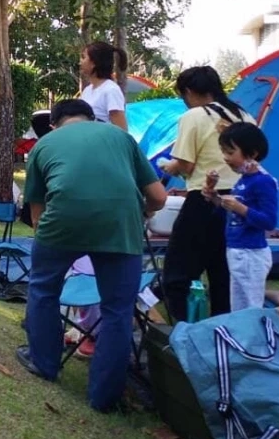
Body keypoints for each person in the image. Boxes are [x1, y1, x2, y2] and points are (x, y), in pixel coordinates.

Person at [16, 98, 167, 413]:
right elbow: (158, 197)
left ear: (54, 124)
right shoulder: (121, 137)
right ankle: (104, 397)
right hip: (120, 224)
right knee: (117, 310)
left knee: (44, 289)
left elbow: (37, 215)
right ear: (92, 119)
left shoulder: (45, 145)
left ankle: (44, 363)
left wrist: (50, 242)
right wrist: (142, 212)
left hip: (62, 222)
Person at [157, 65, 255, 322]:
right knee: (223, 271)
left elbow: (186, 165)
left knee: (178, 272)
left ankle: (185, 328)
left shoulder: (195, 116)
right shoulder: (245, 116)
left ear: (189, 91)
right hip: (243, 198)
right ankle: (223, 327)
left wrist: (170, 166)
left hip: (206, 198)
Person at [210, 121, 278, 312]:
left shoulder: (263, 182)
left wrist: (241, 208)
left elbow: (269, 221)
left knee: (252, 307)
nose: (225, 158)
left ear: (252, 154)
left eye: (230, 152)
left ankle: (258, 331)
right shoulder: (243, 181)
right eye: (223, 152)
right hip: (236, 249)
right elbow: (233, 215)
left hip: (251, 253)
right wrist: (215, 198)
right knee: (238, 307)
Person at [78, 40, 128, 129]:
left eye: (84, 57)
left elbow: (121, 130)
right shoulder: (87, 90)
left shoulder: (111, 90)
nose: (80, 62)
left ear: (94, 63)